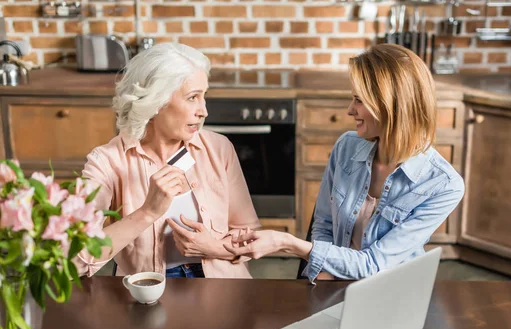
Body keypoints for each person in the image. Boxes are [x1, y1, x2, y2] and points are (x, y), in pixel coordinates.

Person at [225, 44, 464, 281]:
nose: (350, 110)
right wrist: (321, 276)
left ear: (390, 106)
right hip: (333, 280)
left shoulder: (443, 185)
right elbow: (324, 225)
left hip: (390, 293)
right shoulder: (346, 147)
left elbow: (373, 264)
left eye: (359, 100)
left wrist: (285, 242)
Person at [76, 43, 260, 278]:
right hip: (146, 294)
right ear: (155, 102)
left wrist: (212, 248)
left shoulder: (219, 148)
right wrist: (147, 213)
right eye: (192, 97)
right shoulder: (106, 162)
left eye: (204, 97)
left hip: (223, 286)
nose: (203, 111)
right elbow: (76, 260)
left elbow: (251, 236)